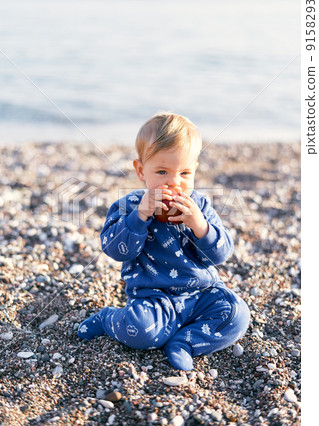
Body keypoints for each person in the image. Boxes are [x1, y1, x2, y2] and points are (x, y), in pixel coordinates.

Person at [78, 112, 250, 371]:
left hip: (201, 294)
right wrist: (140, 217)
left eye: (184, 173)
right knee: (141, 331)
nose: (174, 182)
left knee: (238, 315)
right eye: (162, 171)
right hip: (153, 298)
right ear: (140, 171)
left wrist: (199, 225)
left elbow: (222, 253)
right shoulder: (128, 207)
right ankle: (108, 319)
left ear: (195, 171)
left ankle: (184, 343)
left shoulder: (200, 206)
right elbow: (115, 249)